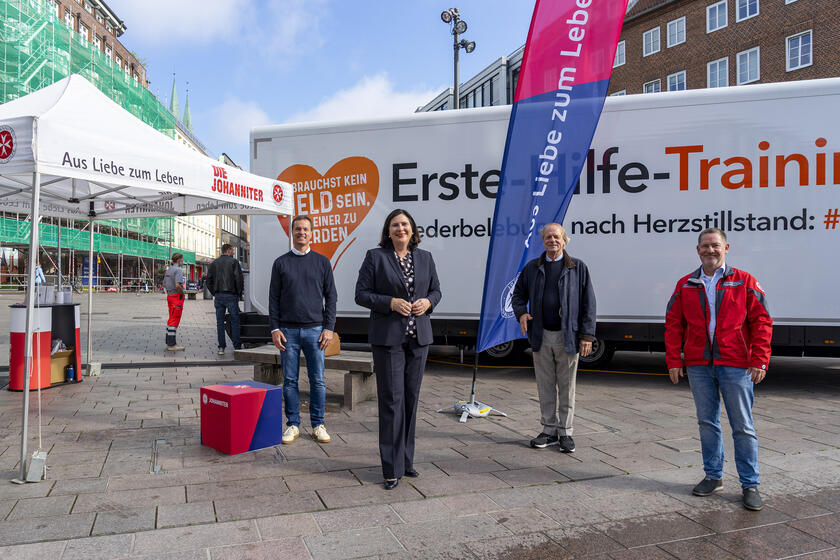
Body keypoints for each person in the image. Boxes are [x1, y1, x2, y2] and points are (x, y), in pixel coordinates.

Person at [665, 227, 772, 511]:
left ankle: (750, 484)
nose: (710, 250)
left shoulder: (744, 281)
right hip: (699, 365)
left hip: (735, 364)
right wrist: (674, 359)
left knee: (743, 426)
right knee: (707, 423)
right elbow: (674, 324)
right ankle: (714, 476)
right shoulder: (686, 284)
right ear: (697, 250)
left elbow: (762, 322)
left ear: (726, 248)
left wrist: (759, 358)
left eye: (715, 245)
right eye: (704, 246)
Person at [355, 209, 442, 490]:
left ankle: (406, 461)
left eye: (404, 224)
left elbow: (437, 291)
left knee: (410, 401)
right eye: (395, 225)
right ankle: (391, 468)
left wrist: (428, 302)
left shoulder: (425, 257)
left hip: (419, 340)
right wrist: (390, 303)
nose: (400, 229)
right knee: (392, 402)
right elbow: (361, 294)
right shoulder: (375, 257)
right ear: (388, 230)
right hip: (388, 339)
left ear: (413, 230)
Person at [512, 223, 596, 454]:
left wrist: (587, 335)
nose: (552, 240)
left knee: (567, 386)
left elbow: (589, 304)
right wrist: (521, 313)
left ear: (565, 240)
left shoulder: (577, 268)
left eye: (557, 237)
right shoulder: (532, 268)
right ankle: (548, 430)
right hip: (541, 335)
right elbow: (517, 295)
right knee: (545, 385)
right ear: (543, 241)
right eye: (548, 237)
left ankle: (566, 432)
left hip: (567, 336)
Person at [269, 215, 337, 445]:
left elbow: (332, 297)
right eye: (298, 229)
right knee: (289, 380)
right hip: (287, 331)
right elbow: (274, 298)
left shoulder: (322, 262)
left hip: (315, 331)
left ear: (311, 233)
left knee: (318, 380)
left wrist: (329, 328)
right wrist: (274, 328)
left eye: (306, 229)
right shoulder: (280, 263)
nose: (302, 233)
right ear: (292, 232)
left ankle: (318, 424)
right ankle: (293, 425)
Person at [205, 243, 244, 355]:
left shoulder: (214, 263)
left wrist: (215, 292)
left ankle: (221, 347)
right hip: (231, 295)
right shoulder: (234, 262)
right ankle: (236, 346)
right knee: (235, 321)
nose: (233, 252)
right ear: (228, 250)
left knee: (220, 322)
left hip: (219, 296)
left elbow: (208, 281)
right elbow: (239, 279)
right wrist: (238, 293)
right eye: (232, 250)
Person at [164, 253, 185, 351]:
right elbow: (177, 285)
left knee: (171, 318)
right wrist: (182, 294)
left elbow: (164, 283)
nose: (182, 261)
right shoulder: (178, 270)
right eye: (182, 259)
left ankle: (169, 342)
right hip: (176, 296)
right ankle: (172, 345)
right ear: (179, 259)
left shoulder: (168, 270)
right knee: (175, 319)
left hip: (169, 296)